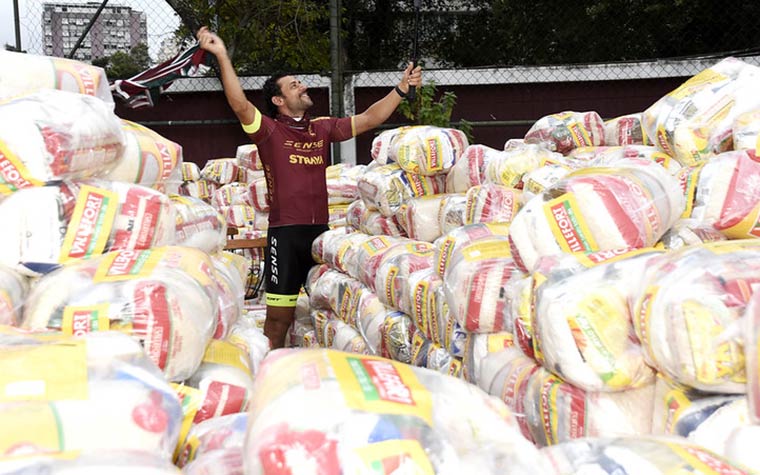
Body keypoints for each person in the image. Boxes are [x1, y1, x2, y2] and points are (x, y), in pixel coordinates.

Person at [197, 26, 422, 349]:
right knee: (278, 321)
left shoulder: (322, 128)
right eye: (294, 85)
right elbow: (239, 104)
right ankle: (265, 378)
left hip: (321, 235)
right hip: (286, 237)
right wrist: (221, 55)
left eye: (300, 82)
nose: (303, 86)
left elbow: (371, 118)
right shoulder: (269, 130)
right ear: (279, 100)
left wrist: (401, 88)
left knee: (330, 316)